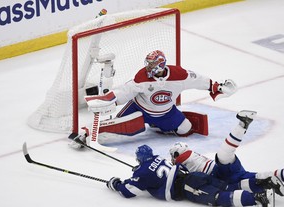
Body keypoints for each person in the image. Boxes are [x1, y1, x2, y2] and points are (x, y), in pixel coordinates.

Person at [77, 50, 237, 145]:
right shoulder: (142, 76)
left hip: (166, 112)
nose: (148, 67)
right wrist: (109, 99)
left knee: (186, 130)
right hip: (139, 109)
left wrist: (217, 87)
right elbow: (126, 91)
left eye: (152, 65)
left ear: (161, 65)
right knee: (122, 128)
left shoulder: (179, 75)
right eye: (148, 64)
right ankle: (87, 132)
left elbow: (199, 80)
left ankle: (157, 125)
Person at [106, 144, 275, 207]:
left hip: (187, 187)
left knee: (218, 197)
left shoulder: (142, 173)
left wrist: (115, 183)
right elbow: (153, 172)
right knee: (228, 187)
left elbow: (128, 191)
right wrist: (138, 172)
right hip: (194, 176)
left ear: (139, 159)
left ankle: (257, 199)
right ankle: (263, 184)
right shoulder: (159, 159)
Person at [169, 110, 284, 197]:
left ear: (176, 154)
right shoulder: (191, 154)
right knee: (254, 177)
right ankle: (242, 125)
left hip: (218, 174)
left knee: (226, 160)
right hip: (226, 172)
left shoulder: (183, 158)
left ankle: (242, 125)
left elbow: (174, 174)